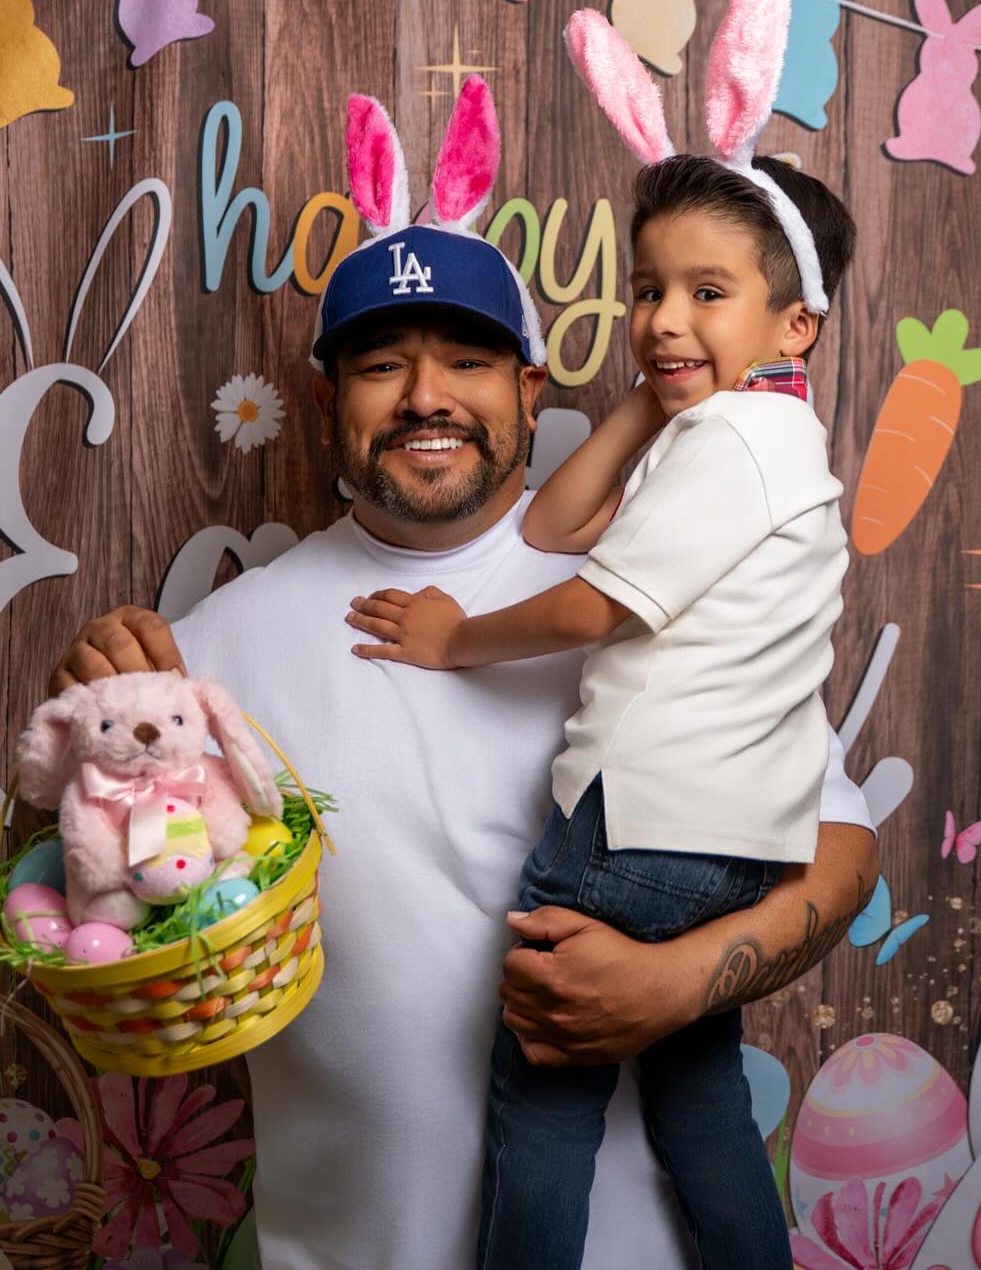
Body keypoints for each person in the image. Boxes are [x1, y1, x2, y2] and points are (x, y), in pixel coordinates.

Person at [51, 85, 877, 1270]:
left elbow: (842, 851)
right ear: (331, 403)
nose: (428, 396)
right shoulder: (214, 648)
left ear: (531, 391)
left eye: (470, 361)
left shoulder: (670, 566)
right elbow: (110, 908)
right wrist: (93, 707)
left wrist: (676, 984)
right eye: (382, 364)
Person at [346, 141, 856, 1268]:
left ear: (797, 325)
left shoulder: (735, 441)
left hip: (630, 825)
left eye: (706, 294)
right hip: (726, 846)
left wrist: (453, 639)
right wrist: (655, 390)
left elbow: (589, 606)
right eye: (648, 292)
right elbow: (550, 522)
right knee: (701, 1105)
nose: (666, 319)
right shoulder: (760, 434)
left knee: (542, 1110)